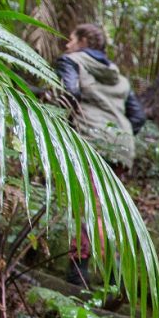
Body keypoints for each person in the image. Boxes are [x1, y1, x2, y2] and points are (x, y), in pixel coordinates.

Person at [53, 23, 144, 284]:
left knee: (86, 208)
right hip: (121, 147)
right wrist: (118, 137)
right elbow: (138, 116)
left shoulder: (71, 62)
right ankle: (111, 275)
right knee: (104, 208)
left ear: (82, 41)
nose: (67, 44)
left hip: (92, 143)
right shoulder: (118, 76)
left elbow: (68, 94)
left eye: (71, 39)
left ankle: (89, 273)